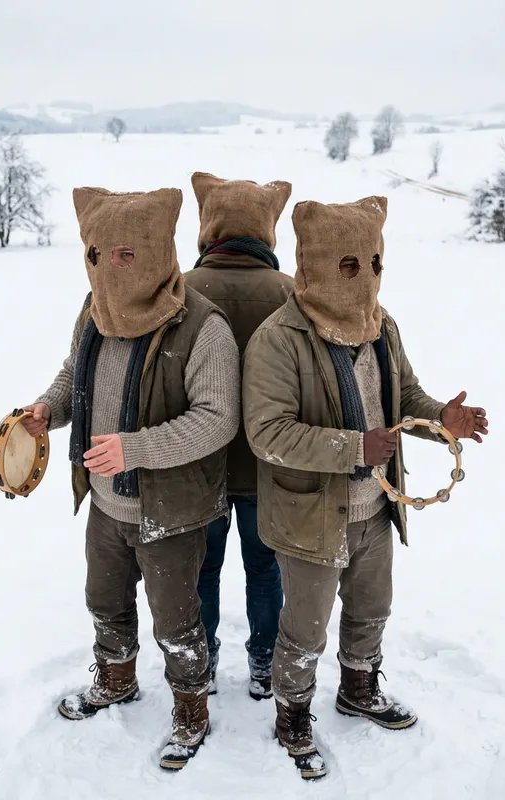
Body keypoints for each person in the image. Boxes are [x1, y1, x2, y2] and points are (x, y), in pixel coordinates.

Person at [242, 195, 488, 780]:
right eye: (349, 264)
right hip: (310, 517)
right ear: (315, 262)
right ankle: (292, 714)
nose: (365, 276)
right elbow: (267, 433)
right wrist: (354, 447)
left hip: (375, 506)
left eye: (373, 263)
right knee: (305, 628)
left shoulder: (382, 325)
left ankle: (358, 689)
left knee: (371, 609)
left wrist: (441, 420)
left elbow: (403, 397)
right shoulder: (279, 338)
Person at [20, 186, 240, 771]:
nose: (107, 268)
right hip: (105, 503)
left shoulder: (202, 325)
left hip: (170, 509)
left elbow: (218, 420)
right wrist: (48, 408)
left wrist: (135, 449)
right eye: (96, 254)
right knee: (105, 601)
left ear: (154, 250)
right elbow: (75, 371)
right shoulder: (95, 309)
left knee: (176, 621)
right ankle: (116, 680)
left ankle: (191, 711)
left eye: (123, 255)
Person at [184, 172, 293, 700]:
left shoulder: (180, 288)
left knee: (202, 571)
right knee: (265, 570)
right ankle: (265, 664)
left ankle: (201, 663)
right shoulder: (290, 292)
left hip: (197, 464)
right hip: (268, 465)